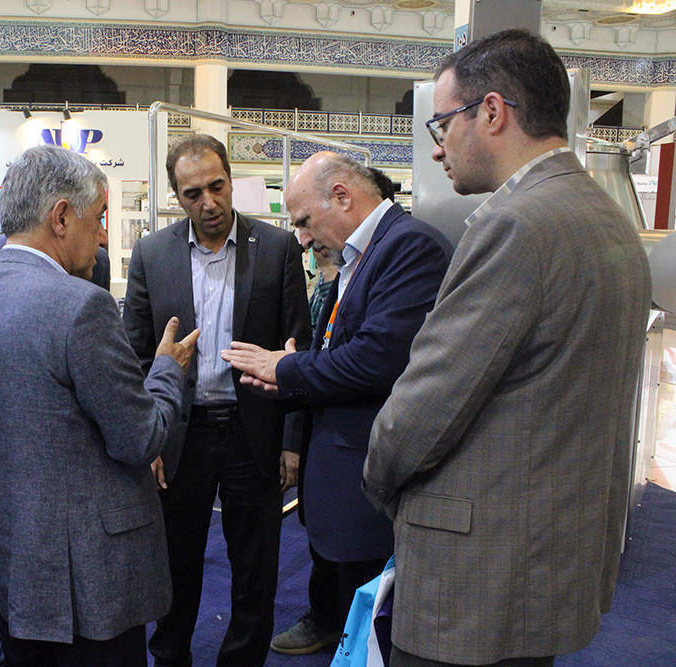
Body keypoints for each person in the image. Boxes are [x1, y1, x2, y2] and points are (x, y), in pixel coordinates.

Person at [361, 29, 652, 666]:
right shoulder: (606, 217)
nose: (437, 148)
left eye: (442, 124)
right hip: (546, 560)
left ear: (491, 112)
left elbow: (422, 411)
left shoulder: (516, 225)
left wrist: (378, 483)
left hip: (475, 581)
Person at [0, 145, 199, 666]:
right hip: (91, 582)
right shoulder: (82, 306)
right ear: (61, 217)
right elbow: (139, 438)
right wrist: (167, 370)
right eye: (98, 218)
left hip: (15, 565)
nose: (102, 235)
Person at [220, 152, 451, 656]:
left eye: (305, 221)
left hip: (371, 484)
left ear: (342, 197)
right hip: (344, 479)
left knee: (370, 633)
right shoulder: (362, 256)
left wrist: (285, 369)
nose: (302, 238)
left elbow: (375, 360)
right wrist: (297, 369)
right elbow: (339, 350)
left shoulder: (410, 248)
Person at [123, 134, 311, 666]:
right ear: (177, 197)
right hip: (181, 434)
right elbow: (136, 354)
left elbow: (298, 347)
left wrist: (292, 441)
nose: (209, 203)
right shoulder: (153, 253)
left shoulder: (276, 248)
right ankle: (171, 657)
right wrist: (148, 438)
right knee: (175, 562)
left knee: (256, 566)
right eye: (193, 193)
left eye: (216, 186)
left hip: (255, 433)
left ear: (230, 180)